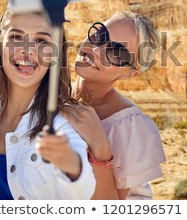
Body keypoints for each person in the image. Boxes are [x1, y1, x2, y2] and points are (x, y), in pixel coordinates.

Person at [0, 10, 96, 200]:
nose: (28, 50)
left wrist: (73, 166)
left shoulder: (61, 124)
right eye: (16, 36)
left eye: (42, 41)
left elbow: (81, 192)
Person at [63, 11, 166, 200]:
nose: (96, 49)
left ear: (130, 74)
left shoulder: (131, 128)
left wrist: (101, 151)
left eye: (116, 52)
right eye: (100, 35)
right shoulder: (50, 95)